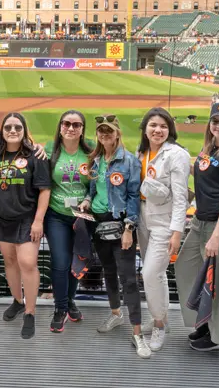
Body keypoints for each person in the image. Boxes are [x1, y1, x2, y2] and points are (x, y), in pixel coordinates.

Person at [175, 101, 219, 351]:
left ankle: (218, 337)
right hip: (201, 220)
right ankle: (203, 323)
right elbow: (210, 185)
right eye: (216, 121)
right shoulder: (209, 148)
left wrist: (216, 236)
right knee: (185, 267)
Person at [78, 115, 148, 357]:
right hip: (98, 222)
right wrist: (87, 201)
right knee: (108, 270)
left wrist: (129, 228)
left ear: (118, 133)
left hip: (120, 225)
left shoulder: (129, 162)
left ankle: (137, 333)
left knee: (128, 277)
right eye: (101, 132)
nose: (105, 135)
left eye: (109, 131)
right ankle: (116, 314)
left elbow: (133, 197)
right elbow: (92, 188)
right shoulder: (96, 160)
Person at [0, 112, 51, 339]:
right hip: (0, 218)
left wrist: (38, 221)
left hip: (26, 218)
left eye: (17, 127)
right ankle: (17, 300)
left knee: (28, 263)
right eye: (8, 127)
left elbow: (45, 190)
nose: (12, 131)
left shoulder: (36, 155)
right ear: (1, 131)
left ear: (24, 130)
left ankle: (30, 312)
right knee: (10, 261)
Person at [136, 107, 191, 351]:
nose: (157, 130)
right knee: (157, 275)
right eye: (153, 125)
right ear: (145, 129)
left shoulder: (176, 154)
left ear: (170, 130)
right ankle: (163, 319)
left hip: (164, 223)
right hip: (142, 220)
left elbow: (181, 197)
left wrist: (177, 232)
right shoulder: (141, 152)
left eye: (163, 126)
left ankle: (158, 324)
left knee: (149, 274)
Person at [43, 110, 92, 332]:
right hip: (56, 216)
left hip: (81, 217)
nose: (71, 128)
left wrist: (89, 200)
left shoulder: (91, 151)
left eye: (76, 124)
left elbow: (97, 183)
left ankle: (70, 301)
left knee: (76, 263)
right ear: (60, 126)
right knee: (61, 262)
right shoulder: (48, 150)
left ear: (82, 129)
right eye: (66, 123)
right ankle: (60, 308)